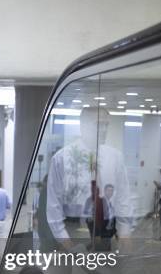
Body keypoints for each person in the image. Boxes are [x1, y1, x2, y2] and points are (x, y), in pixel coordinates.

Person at [46, 107, 131, 250]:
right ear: (82, 126)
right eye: (98, 124)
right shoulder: (62, 158)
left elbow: (123, 196)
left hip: (106, 234)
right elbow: (54, 203)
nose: (104, 129)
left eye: (106, 125)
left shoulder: (115, 158)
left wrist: (124, 231)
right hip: (73, 232)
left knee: (106, 271)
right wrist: (64, 238)